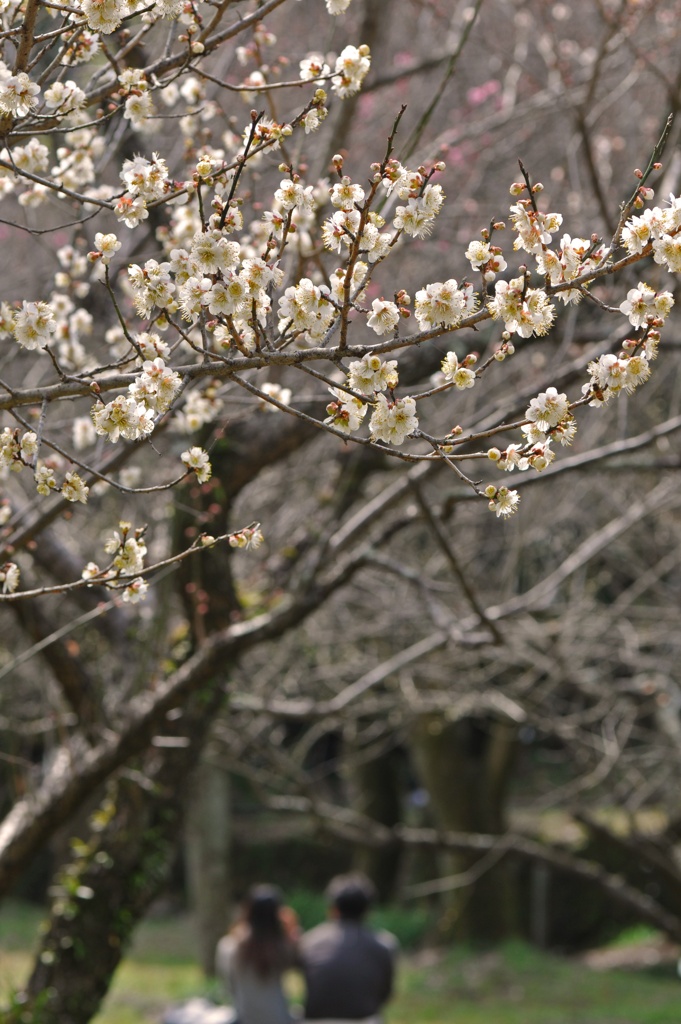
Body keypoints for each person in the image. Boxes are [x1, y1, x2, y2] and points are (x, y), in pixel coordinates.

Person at [299, 873, 397, 1023]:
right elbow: (385, 995)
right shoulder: (384, 944)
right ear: (367, 910)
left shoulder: (309, 941)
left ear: (334, 908)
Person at [215, 884, 300, 1024]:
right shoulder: (283, 947)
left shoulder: (229, 947)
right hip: (280, 1019)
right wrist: (292, 929)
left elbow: (228, 987)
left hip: (245, 1018)